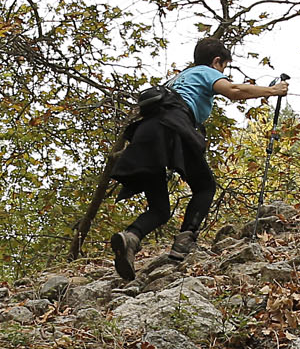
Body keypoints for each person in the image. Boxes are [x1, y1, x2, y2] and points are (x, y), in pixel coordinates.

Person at [103, 38, 289, 280]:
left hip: (146, 133)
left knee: (160, 209)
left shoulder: (177, 79)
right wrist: (272, 91)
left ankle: (130, 238)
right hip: (173, 128)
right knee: (204, 187)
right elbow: (233, 91)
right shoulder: (205, 71)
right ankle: (183, 245)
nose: (222, 73)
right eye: (223, 67)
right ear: (216, 61)